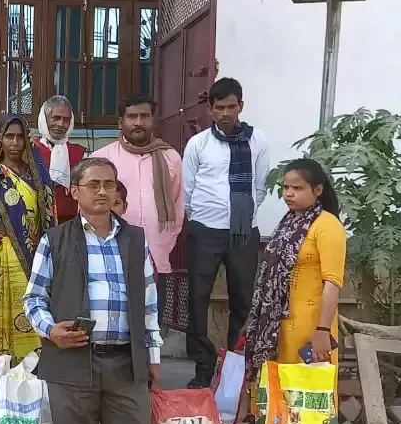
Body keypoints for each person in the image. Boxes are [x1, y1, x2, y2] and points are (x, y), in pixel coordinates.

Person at [23, 157, 165, 424]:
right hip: (71, 361)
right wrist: (50, 330)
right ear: (75, 191)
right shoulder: (56, 239)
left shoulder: (135, 240)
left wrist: (152, 354)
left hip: (126, 361)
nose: (102, 191)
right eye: (93, 184)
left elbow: (150, 302)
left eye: (109, 184)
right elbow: (34, 298)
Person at [182, 77, 268, 387]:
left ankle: (236, 372)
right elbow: (188, 191)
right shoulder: (198, 144)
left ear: (241, 106)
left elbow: (260, 187)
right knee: (197, 300)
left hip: (244, 235)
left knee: (243, 301)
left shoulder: (257, 141)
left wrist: (240, 217)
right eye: (219, 108)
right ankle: (203, 370)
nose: (226, 113)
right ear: (210, 109)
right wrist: (209, 216)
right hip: (205, 231)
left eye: (231, 107)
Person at [243, 159, 344, 412]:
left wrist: (322, 330)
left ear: (317, 190)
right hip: (277, 327)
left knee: (305, 400)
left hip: (310, 327)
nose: (288, 193)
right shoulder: (289, 223)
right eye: (286, 187)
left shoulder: (327, 226)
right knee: (277, 398)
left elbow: (332, 283)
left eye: (297, 188)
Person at [0, 114, 55, 377]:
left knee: (29, 312)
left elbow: (49, 216)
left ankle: (28, 381)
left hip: (33, 257)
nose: (15, 143)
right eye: (9, 136)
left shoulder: (39, 173)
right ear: (0, 140)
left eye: (20, 137)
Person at [91, 95, 183, 275]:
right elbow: (88, 210)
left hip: (157, 254)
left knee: (154, 303)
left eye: (144, 116)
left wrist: (164, 245)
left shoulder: (170, 158)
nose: (138, 122)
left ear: (153, 121)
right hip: (112, 256)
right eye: (132, 117)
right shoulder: (100, 161)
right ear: (120, 122)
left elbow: (177, 208)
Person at [34, 95, 86, 223]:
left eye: (66, 120)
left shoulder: (79, 154)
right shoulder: (30, 150)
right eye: (56, 118)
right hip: (35, 222)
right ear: (44, 119)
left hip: (70, 225)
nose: (61, 124)